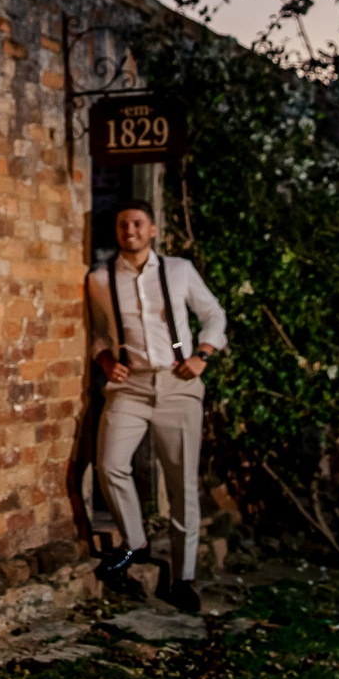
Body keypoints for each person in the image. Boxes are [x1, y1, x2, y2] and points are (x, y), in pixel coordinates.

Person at [86, 200, 227, 614]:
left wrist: (203, 355)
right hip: (130, 386)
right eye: (122, 225)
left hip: (178, 382)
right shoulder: (100, 279)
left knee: (181, 483)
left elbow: (214, 314)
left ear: (151, 230)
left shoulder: (179, 270)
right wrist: (105, 360)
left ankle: (183, 578)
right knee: (110, 464)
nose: (129, 230)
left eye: (137, 224)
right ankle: (136, 541)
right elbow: (98, 333)